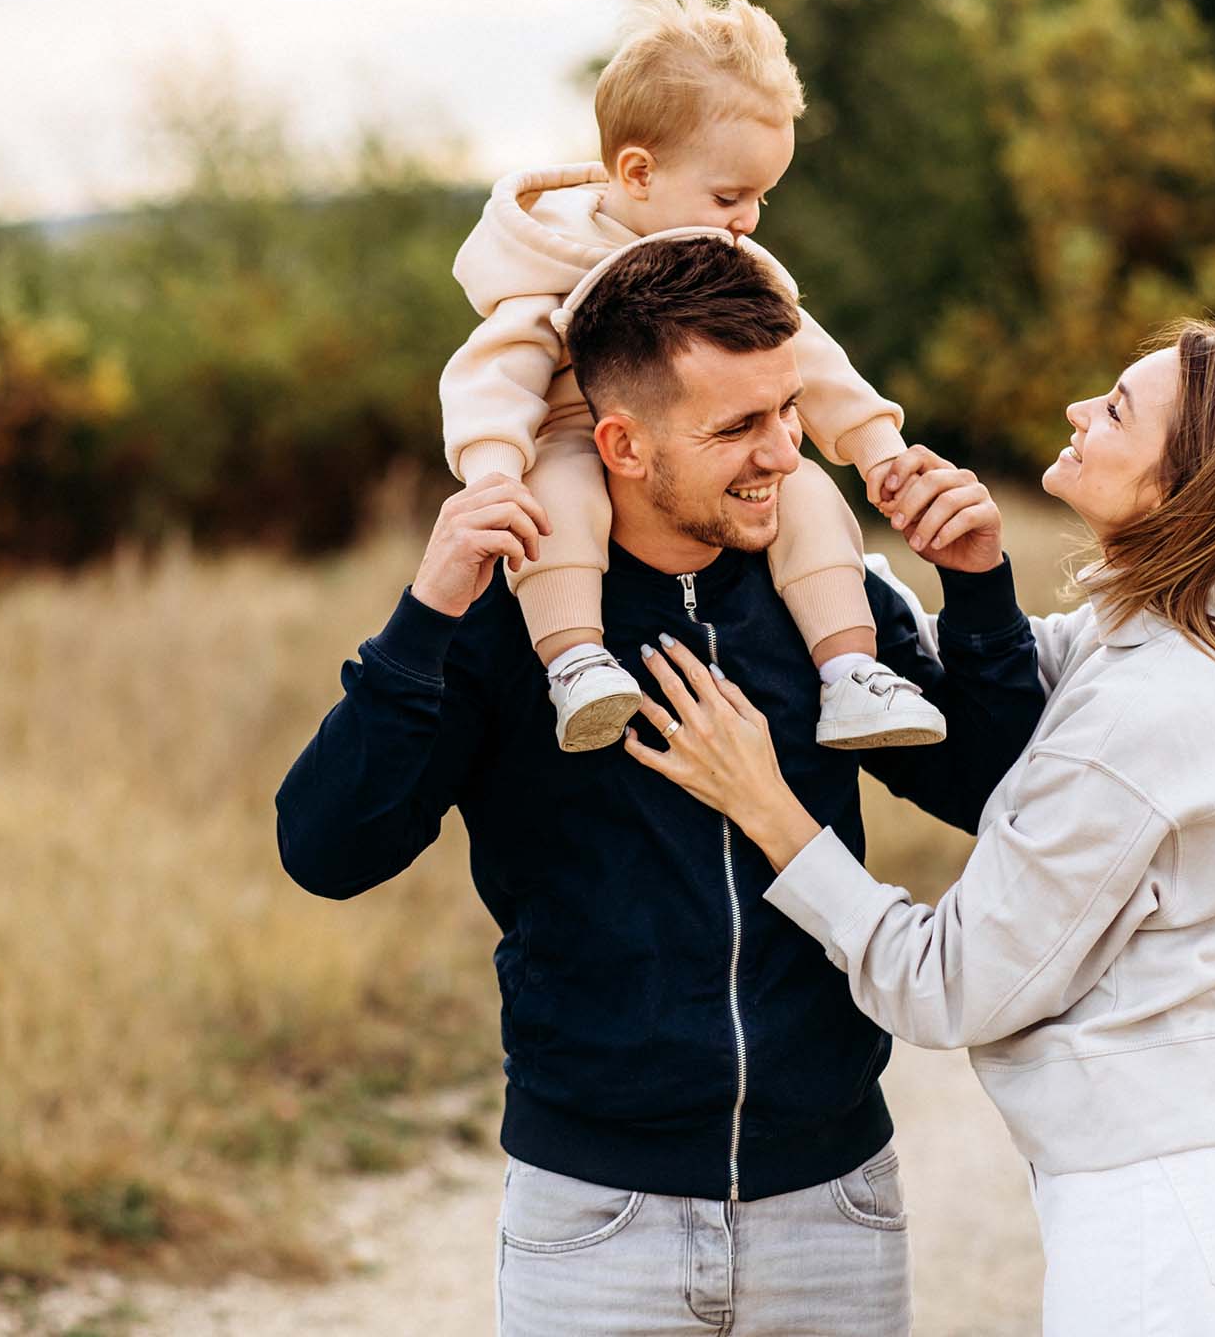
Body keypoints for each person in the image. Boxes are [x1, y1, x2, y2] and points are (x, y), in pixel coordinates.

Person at [276, 233, 1047, 1336]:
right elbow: (326, 850)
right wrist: (427, 612)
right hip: (594, 1221)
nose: (782, 453)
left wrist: (976, 592)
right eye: (735, 428)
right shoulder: (511, 626)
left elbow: (994, 793)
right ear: (621, 445)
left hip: (835, 1207)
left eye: (788, 409)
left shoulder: (825, 602)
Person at [630, 323, 1215, 1336]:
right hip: (1160, 1199)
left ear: (1185, 488)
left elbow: (946, 983)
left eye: (1115, 411)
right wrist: (953, 573)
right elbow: (990, 690)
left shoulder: (1150, 711)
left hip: (1156, 1232)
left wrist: (766, 807)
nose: (1077, 412)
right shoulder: (1150, 644)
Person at [440, 0, 944, 753]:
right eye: (730, 195)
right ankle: (576, 660)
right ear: (639, 174)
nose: (748, 220)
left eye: (763, 198)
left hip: (700, 458)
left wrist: (879, 449)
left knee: (806, 488)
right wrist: (494, 475)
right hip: (576, 435)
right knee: (557, 492)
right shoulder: (548, 260)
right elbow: (494, 376)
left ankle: (850, 673)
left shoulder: (725, 260)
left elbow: (809, 354)